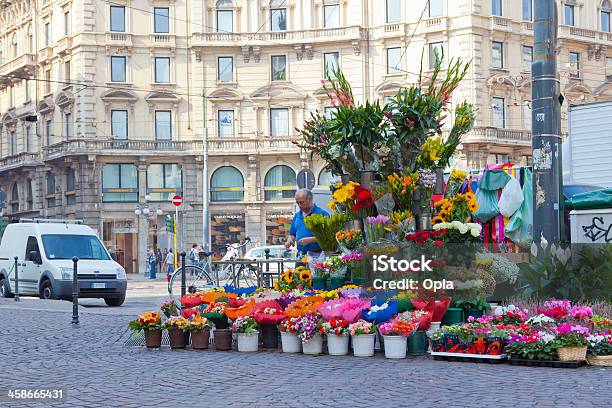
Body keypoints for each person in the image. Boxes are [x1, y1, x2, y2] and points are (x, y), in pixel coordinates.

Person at [285, 189, 329, 265]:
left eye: (301, 202)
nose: (299, 205)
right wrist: (290, 241)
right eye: (297, 203)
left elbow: (328, 237)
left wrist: (311, 240)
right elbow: (292, 234)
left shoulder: (322, 214)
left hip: (318, 257)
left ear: (310, 200)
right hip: (301, 257)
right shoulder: (297, 215)